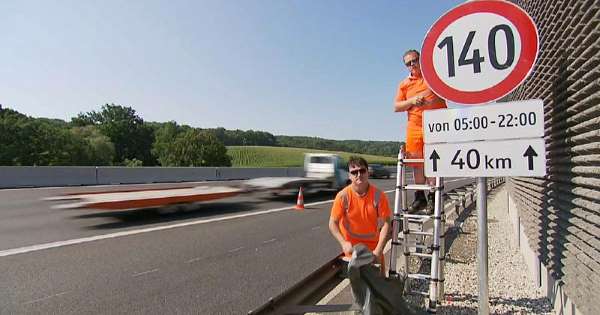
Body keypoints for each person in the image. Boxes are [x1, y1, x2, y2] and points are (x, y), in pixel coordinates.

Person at [394, 49, 447, 213]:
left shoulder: (433, 77)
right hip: (414, 126)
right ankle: (420, 197)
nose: (412, 65)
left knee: (432, 162)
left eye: (414, 60)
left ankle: (433, 197)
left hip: (434, 124)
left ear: (421, 59)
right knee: (416, 162)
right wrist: (411, 101)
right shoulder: (404, 84)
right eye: (408, 63)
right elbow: (396, 106)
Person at [328, 156, 391, 271]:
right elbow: (332, 223)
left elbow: (387, 223)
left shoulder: (379, 195)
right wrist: (343, 243)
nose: (358, 174)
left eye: (362, 171)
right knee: (358, 287)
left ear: (368, 172)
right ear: (349, 176)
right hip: (353, 253)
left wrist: (379, 250)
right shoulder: (343, 196)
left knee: (379, 286)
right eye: (354, 172)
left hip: (374, 251)